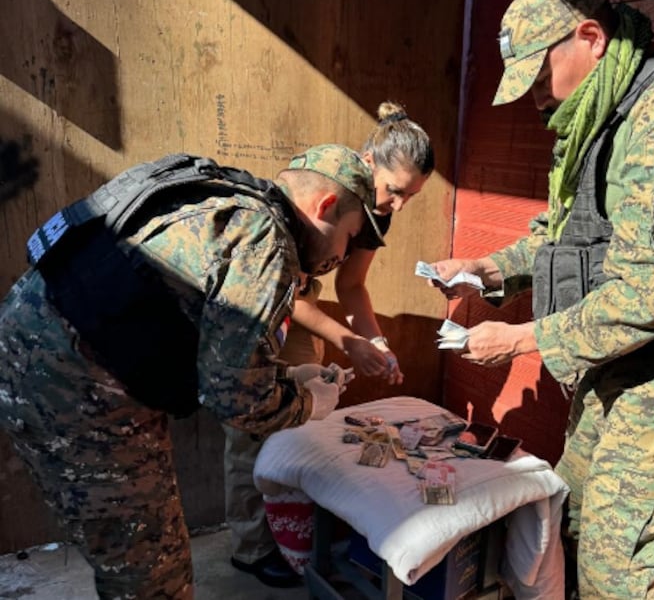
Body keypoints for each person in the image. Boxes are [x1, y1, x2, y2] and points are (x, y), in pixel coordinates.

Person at [426, 0, 654, 598]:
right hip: (613, 372)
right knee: (572, 534)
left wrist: (521, 338)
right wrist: (487, 270)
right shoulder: (598, 115)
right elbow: (564, 232)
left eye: (536, 75)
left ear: (590, 37)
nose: (533, 99)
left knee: (623, 577)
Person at [0, 144, 379, 599]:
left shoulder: (226, 198)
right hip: (76, 388)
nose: (343, 254)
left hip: (36, 352)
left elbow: (216, 351)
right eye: (350, 236)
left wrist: (289, 380)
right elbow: (235, 399)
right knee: (153, 574)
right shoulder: (266, 238)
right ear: (326, 206)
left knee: (127, 554)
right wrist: (310, 404)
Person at [225, 100, 435, 586]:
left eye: (412, 197)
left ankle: (299, 535)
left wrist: (376, 342)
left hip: (305, 310)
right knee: (251, 425)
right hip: (263, 305)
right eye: (395, 191)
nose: (398, 206)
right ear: (366, 166)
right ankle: (250, 547)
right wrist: (348, 339)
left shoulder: (380, 209)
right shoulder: (326, 188)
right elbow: (280, 291)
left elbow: (351, 286)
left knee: (303, 419)